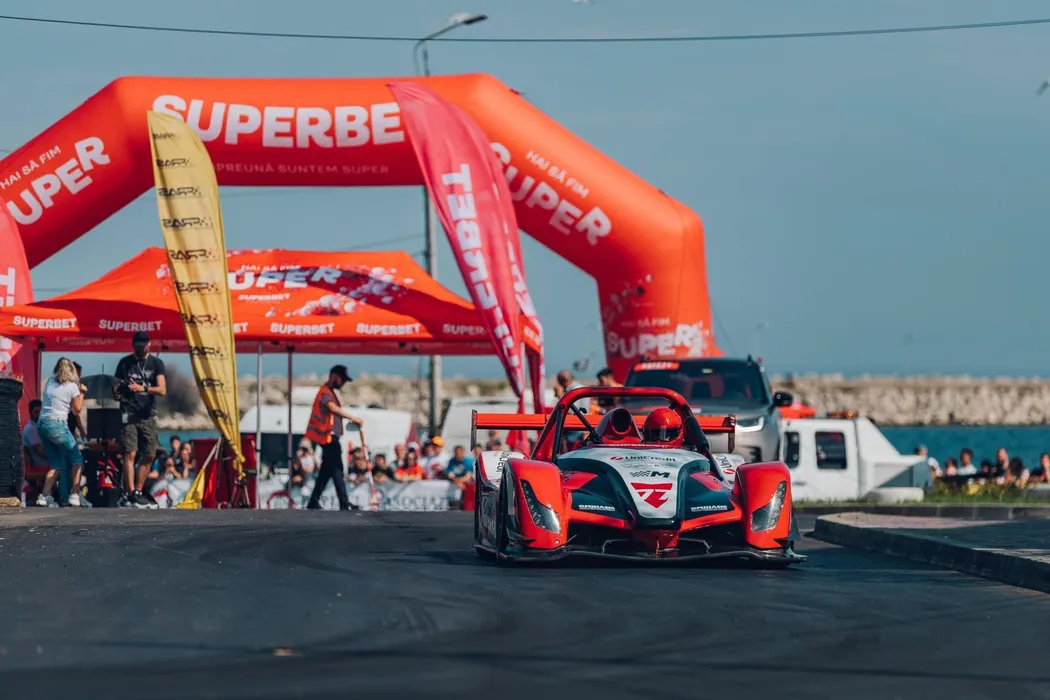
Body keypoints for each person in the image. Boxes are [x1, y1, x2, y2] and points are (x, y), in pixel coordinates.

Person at [113, 331, 166, 508]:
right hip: (128, 412)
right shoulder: (125, 363)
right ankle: (130, 493)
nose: (140, 349)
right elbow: (116, 385)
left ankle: (138, 490)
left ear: (149, 345)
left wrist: (142, 388)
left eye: (142, 346)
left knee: (150, 454)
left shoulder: (156, 363)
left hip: (147, 414)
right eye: (137, 346)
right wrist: (117, 392)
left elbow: (162, 389)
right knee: (130, 453)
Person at [303, 365, 363, 511]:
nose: (343, 383)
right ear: (334, 377)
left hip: (328, 437)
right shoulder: (325, 393)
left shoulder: (330, 392)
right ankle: (344, 503)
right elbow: (332, 408)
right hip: (327, 437)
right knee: (337, 469)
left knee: (326, 471)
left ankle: (313, 501)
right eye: (342, 380)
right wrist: (354, 418)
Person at [37, 357, 86, 506]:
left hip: (42, 424)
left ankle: (44, 496)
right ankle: (75, 495)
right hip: (57, 424)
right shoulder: (72, 386)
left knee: (56, 464)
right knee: (77, 460)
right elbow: (77, 410)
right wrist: (82, 393)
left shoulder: (50, 382)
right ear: (71, 370)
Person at [23, 399, 57, 507]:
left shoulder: (39, 427)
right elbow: (40, 450)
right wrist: (57, 455)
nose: (38, 415)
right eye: (36, 412)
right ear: (30, 413)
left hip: (44, 462)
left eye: (40, 412)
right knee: (63, 466)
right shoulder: (31, 429)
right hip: (40, 464)